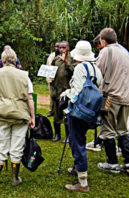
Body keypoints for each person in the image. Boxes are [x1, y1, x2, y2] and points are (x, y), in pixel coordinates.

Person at [0, 47, 35, 188]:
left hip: (2, 114)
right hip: (20, 114)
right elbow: (30, 98)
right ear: (15, 60)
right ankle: (15, 178)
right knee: (17, 147)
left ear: (3, 60)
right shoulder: (24, 75)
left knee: (1, 146)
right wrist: (33, 117)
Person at [60, 40, 103, 192]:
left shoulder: (79, 68)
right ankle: (79, 169)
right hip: (90, 111)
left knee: (77, 142)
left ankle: (82, 182)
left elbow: (77, 91)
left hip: (78, 111)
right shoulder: (95, 68)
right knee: (80, 139)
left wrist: (66, 94)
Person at [96, 28, 129, 174]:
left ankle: (112, 163)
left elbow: (98, 73)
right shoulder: (125, 51)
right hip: (126, 96)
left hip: (110, 96)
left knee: (107, 130)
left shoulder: (106, 51)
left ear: (103, 41)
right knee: (123, 130)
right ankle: (127, 162)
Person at [51, 41, 77, 142]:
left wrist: (66, 63)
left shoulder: (72, 59)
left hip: (67, 92)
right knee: (56, 114)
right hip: (56, 91)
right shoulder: (56, 59)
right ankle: (57, 134)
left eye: (63, 47)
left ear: (68, 48)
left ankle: (68, 136)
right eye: (60, 48)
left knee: (67, 114)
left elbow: (74, 71)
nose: (61, 49)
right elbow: (51, 72)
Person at [46, 42, 60, 117]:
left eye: (59, 47)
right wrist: (51, 80)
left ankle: (58, 110)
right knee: (52, 95)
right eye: (56, 47)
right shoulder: (51, 56)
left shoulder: (63, 56)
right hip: (51, 79)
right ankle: (51, 111)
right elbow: (49, 68)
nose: (57, 48)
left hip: (60, 80)